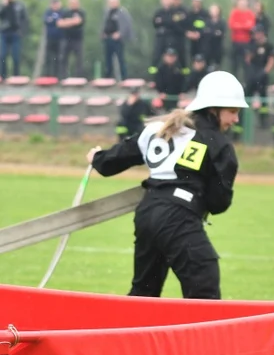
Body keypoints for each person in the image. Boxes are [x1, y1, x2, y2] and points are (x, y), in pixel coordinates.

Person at [86, 71, 246, 299]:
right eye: (233, 112)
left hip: (147, 212)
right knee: (204, 289)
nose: (236, 120)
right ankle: (201, 337)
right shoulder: (218, 144)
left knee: (144, 292)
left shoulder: (159, 129)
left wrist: (98, 158)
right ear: (213, 109)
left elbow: (116, 159)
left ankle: (127, 334)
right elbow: (218, 202)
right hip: (179, 218)